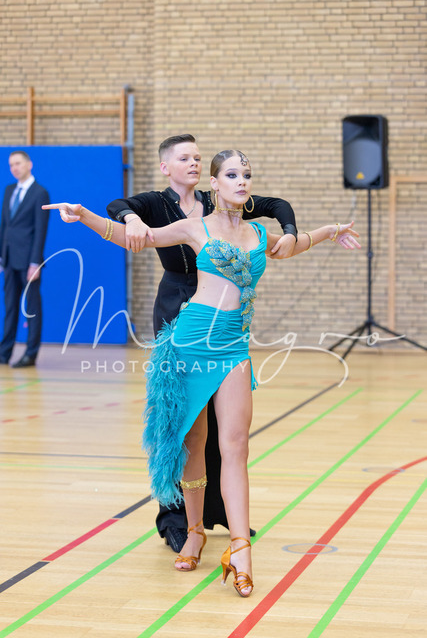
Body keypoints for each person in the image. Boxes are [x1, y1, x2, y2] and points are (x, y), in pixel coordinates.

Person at [43, 148, 360, 597]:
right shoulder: (196, 227)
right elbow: (135, 237)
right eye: (232, 174)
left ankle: (240, 547)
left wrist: (331, 231)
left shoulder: (258, 232)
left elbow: (295, 244)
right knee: (194, 443)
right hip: (189, 344)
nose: (242, 181)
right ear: (215, 183)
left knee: (236, 447)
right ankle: (194, 532)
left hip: (234, 348)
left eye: (246, 174)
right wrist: (86, 216)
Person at [106, 134, 299, 553]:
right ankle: (177, 522)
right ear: (167, 167)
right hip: (179, 312)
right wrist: (131, 219)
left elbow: (276, 205)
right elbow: (119, 209)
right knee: (181, 425)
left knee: (224, 434)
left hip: (223, 321)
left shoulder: (219, 201)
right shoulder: (158, 204)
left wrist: (293, 231)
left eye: (197, 156)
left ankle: (219, 513)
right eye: (185, 158)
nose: (193, 162)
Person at [0, 151, 50, 368]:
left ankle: (31, 353)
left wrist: (35, 263)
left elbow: (40, 230)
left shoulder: (40, 193)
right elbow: (5, 226)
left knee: (31, 309)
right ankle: (4, 353)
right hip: (9, 259)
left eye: (18, 163)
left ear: (29, 164)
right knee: (10, 307)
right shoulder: (9, 190)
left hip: (29, 261)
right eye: (11, 165)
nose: (14, 168)